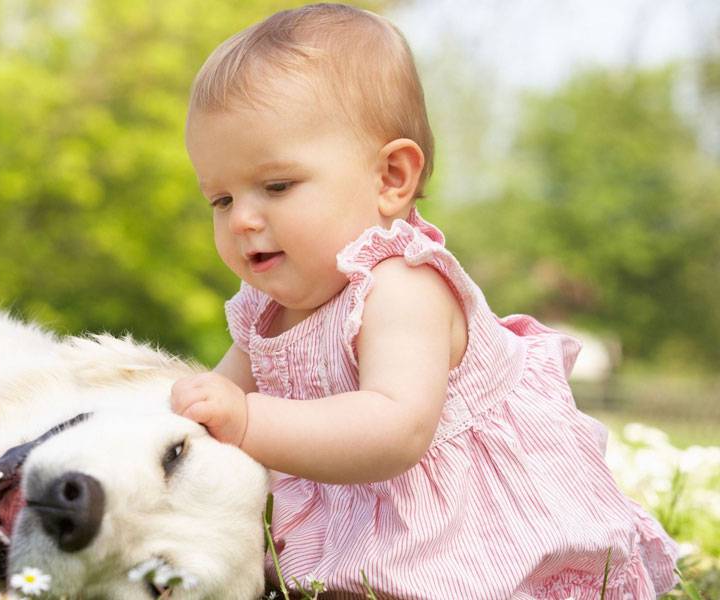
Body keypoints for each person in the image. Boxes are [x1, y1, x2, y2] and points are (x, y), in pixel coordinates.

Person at [169, 4, 678, 598]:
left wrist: (248, 420)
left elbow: (395, 428)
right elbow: (218, 404)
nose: (244, 220)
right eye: (221, 200)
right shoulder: (263, 309)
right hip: (370, 528)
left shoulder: (402, 285)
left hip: (467, 530)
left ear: (391, 178)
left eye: (276, 186)